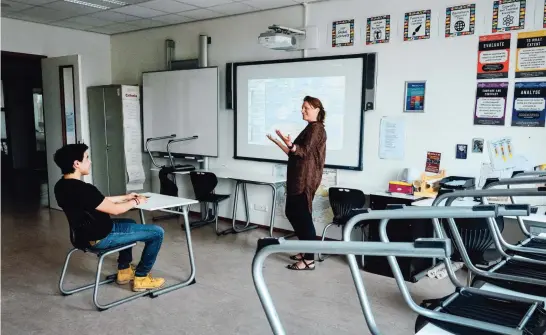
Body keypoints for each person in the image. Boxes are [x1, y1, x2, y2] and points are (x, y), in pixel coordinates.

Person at [53, 143, 165, 292]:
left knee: (130, 222)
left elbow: (100, 200)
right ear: (77, 163)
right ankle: (142, 277)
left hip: (82, 237)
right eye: (87, 158)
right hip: (102, 237)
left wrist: (126, 197)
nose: (90, 162)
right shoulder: (84, 189)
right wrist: (136, 201)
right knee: (157, 232)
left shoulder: (61, 186)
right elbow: (116, 210)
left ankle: (124, 272)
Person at [267, 96, 327, 271]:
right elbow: (295, 153)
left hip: (304, 181)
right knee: (292, 213)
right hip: (296, 178)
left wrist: (291, 145)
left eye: (306, 107)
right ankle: (305, 250)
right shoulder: (310, 128)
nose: (302, 110)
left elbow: (303, 151)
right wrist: (279, 142)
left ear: (317, 109)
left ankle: (309, 259)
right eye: (302, 107)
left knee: (302, 217)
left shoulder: (317, 129)